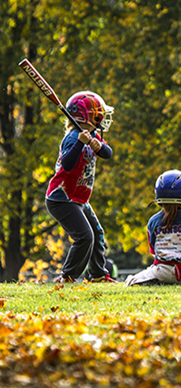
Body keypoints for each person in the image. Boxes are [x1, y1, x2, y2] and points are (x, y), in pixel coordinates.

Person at [46, 91, 116, 283]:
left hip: (78, 199)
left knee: (97, 233)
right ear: (87, 115)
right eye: (98, 112)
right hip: (61, 199)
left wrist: (98, 146)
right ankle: (67, 277)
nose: (101, 116)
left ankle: (98, 275)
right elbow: (67, 164)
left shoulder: (92, 135)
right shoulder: (73, 137)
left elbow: (108, 154)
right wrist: (80, 143)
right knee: (85, 236)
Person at [125, 170, 181, 286]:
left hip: (161, 271)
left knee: (135, 279)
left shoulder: (153, 221)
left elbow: (153, 249)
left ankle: (148, 281)